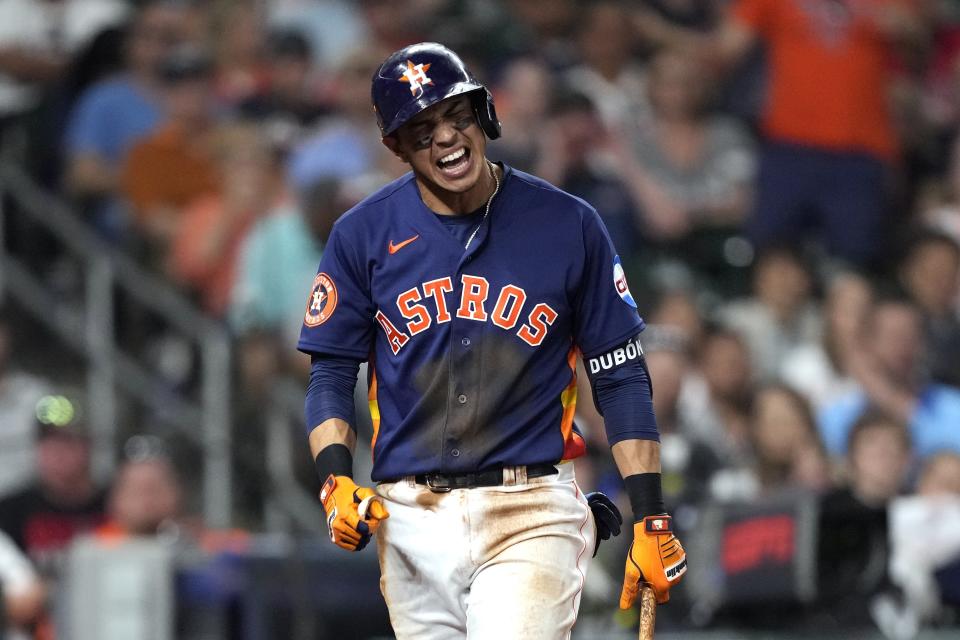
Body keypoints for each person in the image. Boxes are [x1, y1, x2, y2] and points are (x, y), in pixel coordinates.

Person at [297, 43, 686, 638]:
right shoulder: (362, 234)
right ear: (397, 148)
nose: (447, 139)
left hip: (530, 507)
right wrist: (334, 479)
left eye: (458, 117)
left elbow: (620, 374)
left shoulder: (568, 223)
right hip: (409, 518)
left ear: (484, 116)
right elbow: (329, 374)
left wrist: (651, 517)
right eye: (423, 130)